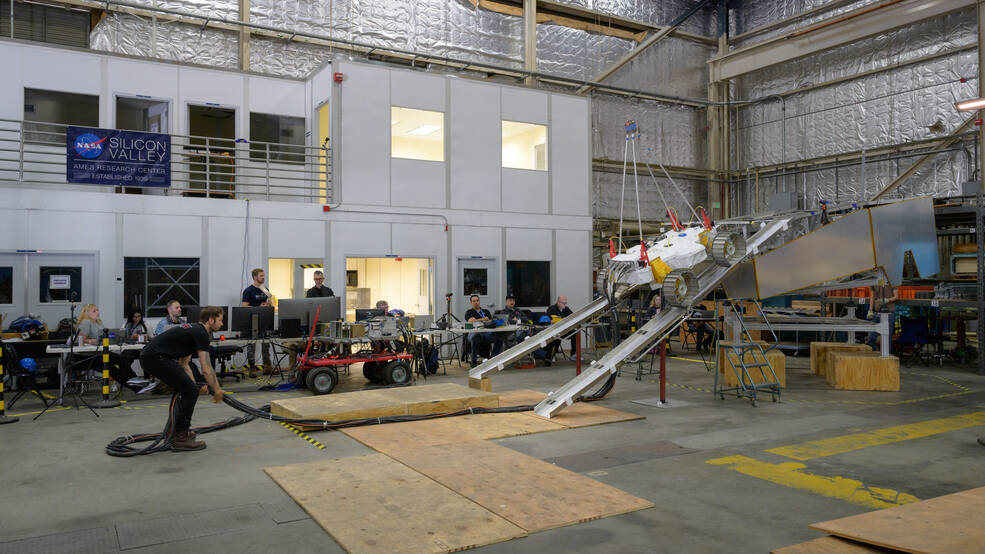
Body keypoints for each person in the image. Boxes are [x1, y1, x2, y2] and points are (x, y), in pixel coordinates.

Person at [139, 306, 226, 451]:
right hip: (155, 358)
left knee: (188, 389)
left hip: (151, 357)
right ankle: (180, 437)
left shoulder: (194, 331)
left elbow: (184, 365)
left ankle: (174, 432)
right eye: (220, 320)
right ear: (211, 320)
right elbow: (207, 368)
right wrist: (217, 390)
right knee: (189, 391)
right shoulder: (202, 333)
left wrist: (194, 386)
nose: (222, 324)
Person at [75, 304, 142, 393]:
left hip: (100, 352)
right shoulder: (86, 322)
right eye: (94, 311)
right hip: (88, 355)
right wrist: (93, 341)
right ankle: (137, 387)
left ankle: (137, 382)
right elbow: (80, 339)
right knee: (113, 370)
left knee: (122, 360)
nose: (97, 312)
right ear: (87, 313)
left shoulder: (99, 322)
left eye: (97, 310)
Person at [241, 268, 273, 377]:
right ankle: (252, 368)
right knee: (252, 346)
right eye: (261, 276)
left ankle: (267, 366)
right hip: (252, 323)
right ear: (255, 277)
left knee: (266, 346)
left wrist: (268, 305)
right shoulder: (248, 291)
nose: (263, 278)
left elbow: (271, 303)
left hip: (264, 322)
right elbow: (244, 307)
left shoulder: (265, 289)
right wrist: (258, 307)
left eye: (264, 276)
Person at [120, 307, 157, 394]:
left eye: (138, 316)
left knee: (146, 357)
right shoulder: (126, 325)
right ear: (131, 317)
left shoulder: (146, 324)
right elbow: (121, 338)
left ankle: (147, 379)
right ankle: (129, 378)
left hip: (142, 348)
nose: (137, 318)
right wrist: (131, 337)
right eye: (134, 317)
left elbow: (153, 338)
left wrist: (146, 337)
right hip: (130, 348)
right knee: (124, 358)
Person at [464, 294, 504, 367]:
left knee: (500, 337)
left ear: (479, 301)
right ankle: (474, 361)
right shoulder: (469, 312)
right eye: (474, 301)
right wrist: (483, 319)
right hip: (474, 333)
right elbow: (471, 320)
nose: (476, 302)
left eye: (477, 300)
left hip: (486, 333)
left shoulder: (486, 311)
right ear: (471, 303)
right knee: (475, 337)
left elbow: (490, 321)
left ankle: (493, 358)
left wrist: (477, 320)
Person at [867, 282, 898, 350]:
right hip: (876, 312)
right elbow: (872, 296)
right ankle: (873, 356)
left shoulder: (891, 279)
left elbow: (896, 296)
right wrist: (870, 310)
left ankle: (886, 358)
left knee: (887, 339)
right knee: (871, 338)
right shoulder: (874, 280)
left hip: (889, 313)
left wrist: (887, 300)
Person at [545, 296, 575, 361]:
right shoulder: (551, 309)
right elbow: (548, 320)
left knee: (575, 333)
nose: (565, 305)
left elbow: (573, 316)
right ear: (558, 302)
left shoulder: (566, 309)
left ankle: (573, 354)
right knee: (557, 338)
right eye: (563, 303)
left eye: (565, 303)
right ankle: (552, 355)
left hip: (564, 331)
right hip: (554, 332)